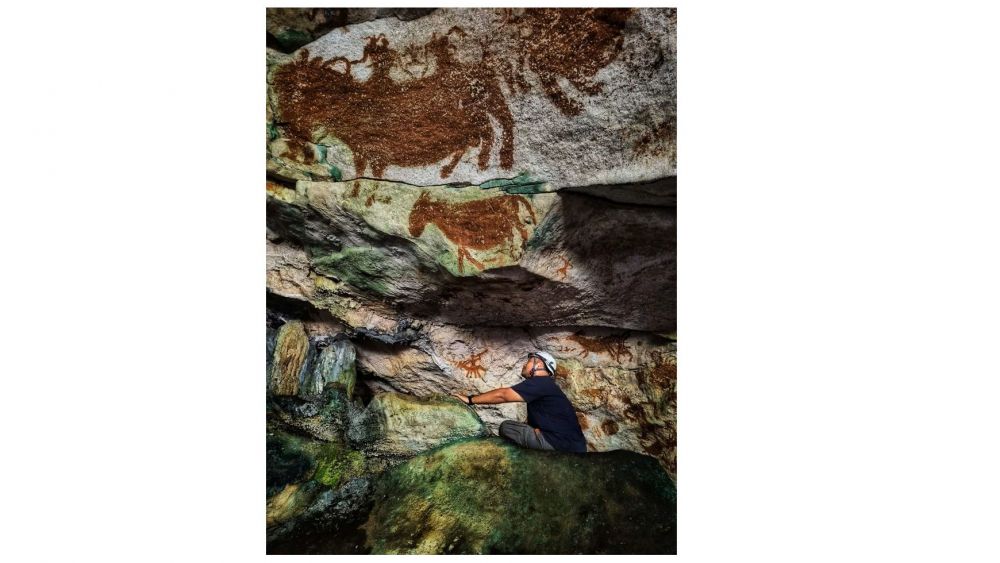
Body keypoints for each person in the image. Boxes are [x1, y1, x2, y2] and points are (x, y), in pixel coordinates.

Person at [453, 351, 587, 453]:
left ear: (539, 364)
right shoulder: (548, 386)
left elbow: (503, 395)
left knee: (507, 427)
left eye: (528, 361)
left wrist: (470, 399)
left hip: (559, 445)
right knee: (524, 428)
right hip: (576, 446)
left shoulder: (540, 383)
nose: (524, 364)